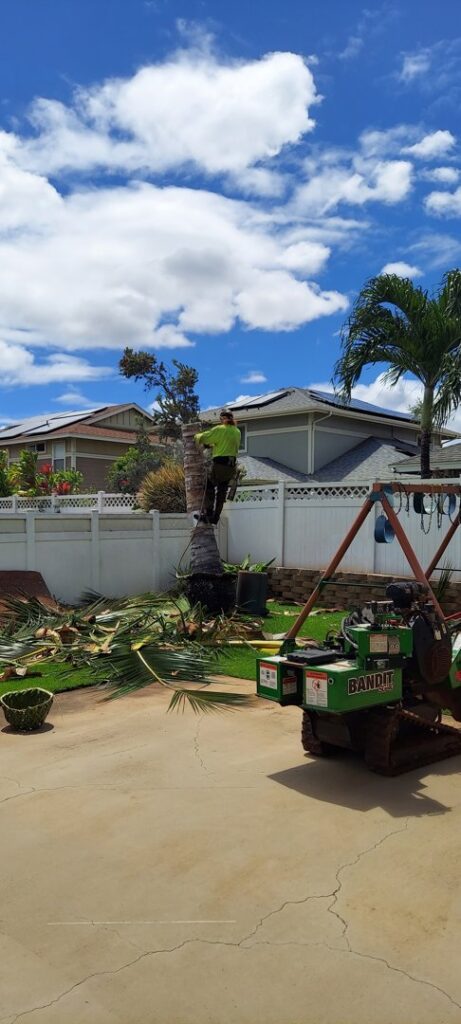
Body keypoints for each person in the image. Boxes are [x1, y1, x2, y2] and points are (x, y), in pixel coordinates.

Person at [194, 410, 241, 524]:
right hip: (231, 467)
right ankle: (215, 518)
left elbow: (204, 437)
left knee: (208, 485)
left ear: (222, 419)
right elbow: (225, 444)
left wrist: (195, 435)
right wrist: (213, 445)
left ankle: (208, 513)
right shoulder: (237, 431)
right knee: (221, 491)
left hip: (219, 465)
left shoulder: (220, 429)